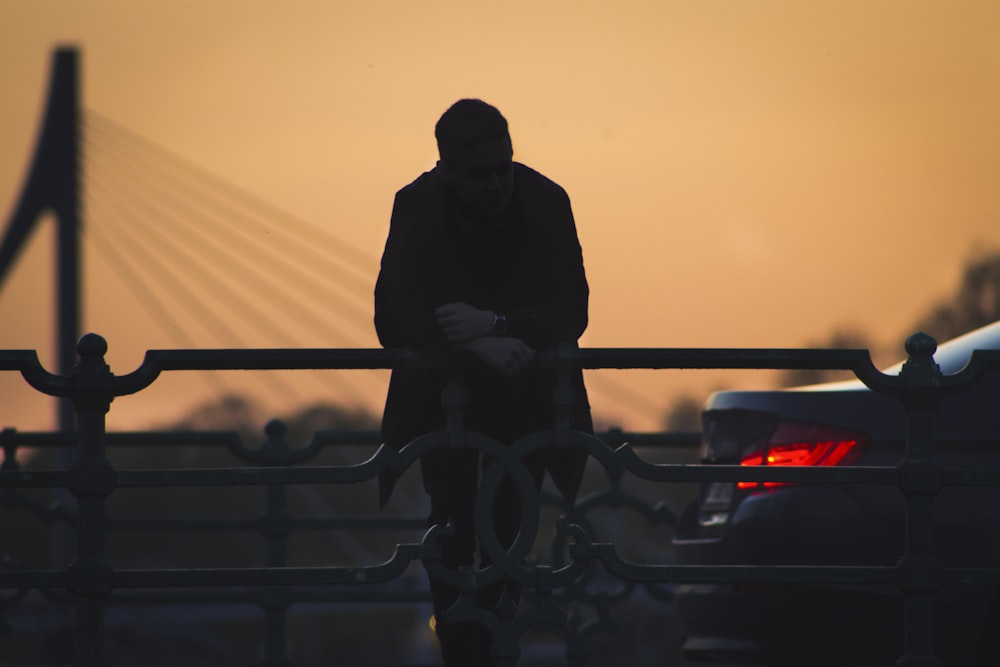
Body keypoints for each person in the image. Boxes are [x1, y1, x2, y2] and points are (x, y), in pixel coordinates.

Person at [374, 98, 593, 667]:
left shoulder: (546, 199)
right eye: (480, 174)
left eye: (505, 167)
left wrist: (492, 324)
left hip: (524, 401)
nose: (497, 183)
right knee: (449, 531)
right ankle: (464, 650)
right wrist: (476, 340)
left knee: (512, 530)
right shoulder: (416, 205)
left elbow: (574, 311)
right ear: (445, 170)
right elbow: (389, 319)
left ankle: (487, 650)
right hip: (447, 406)